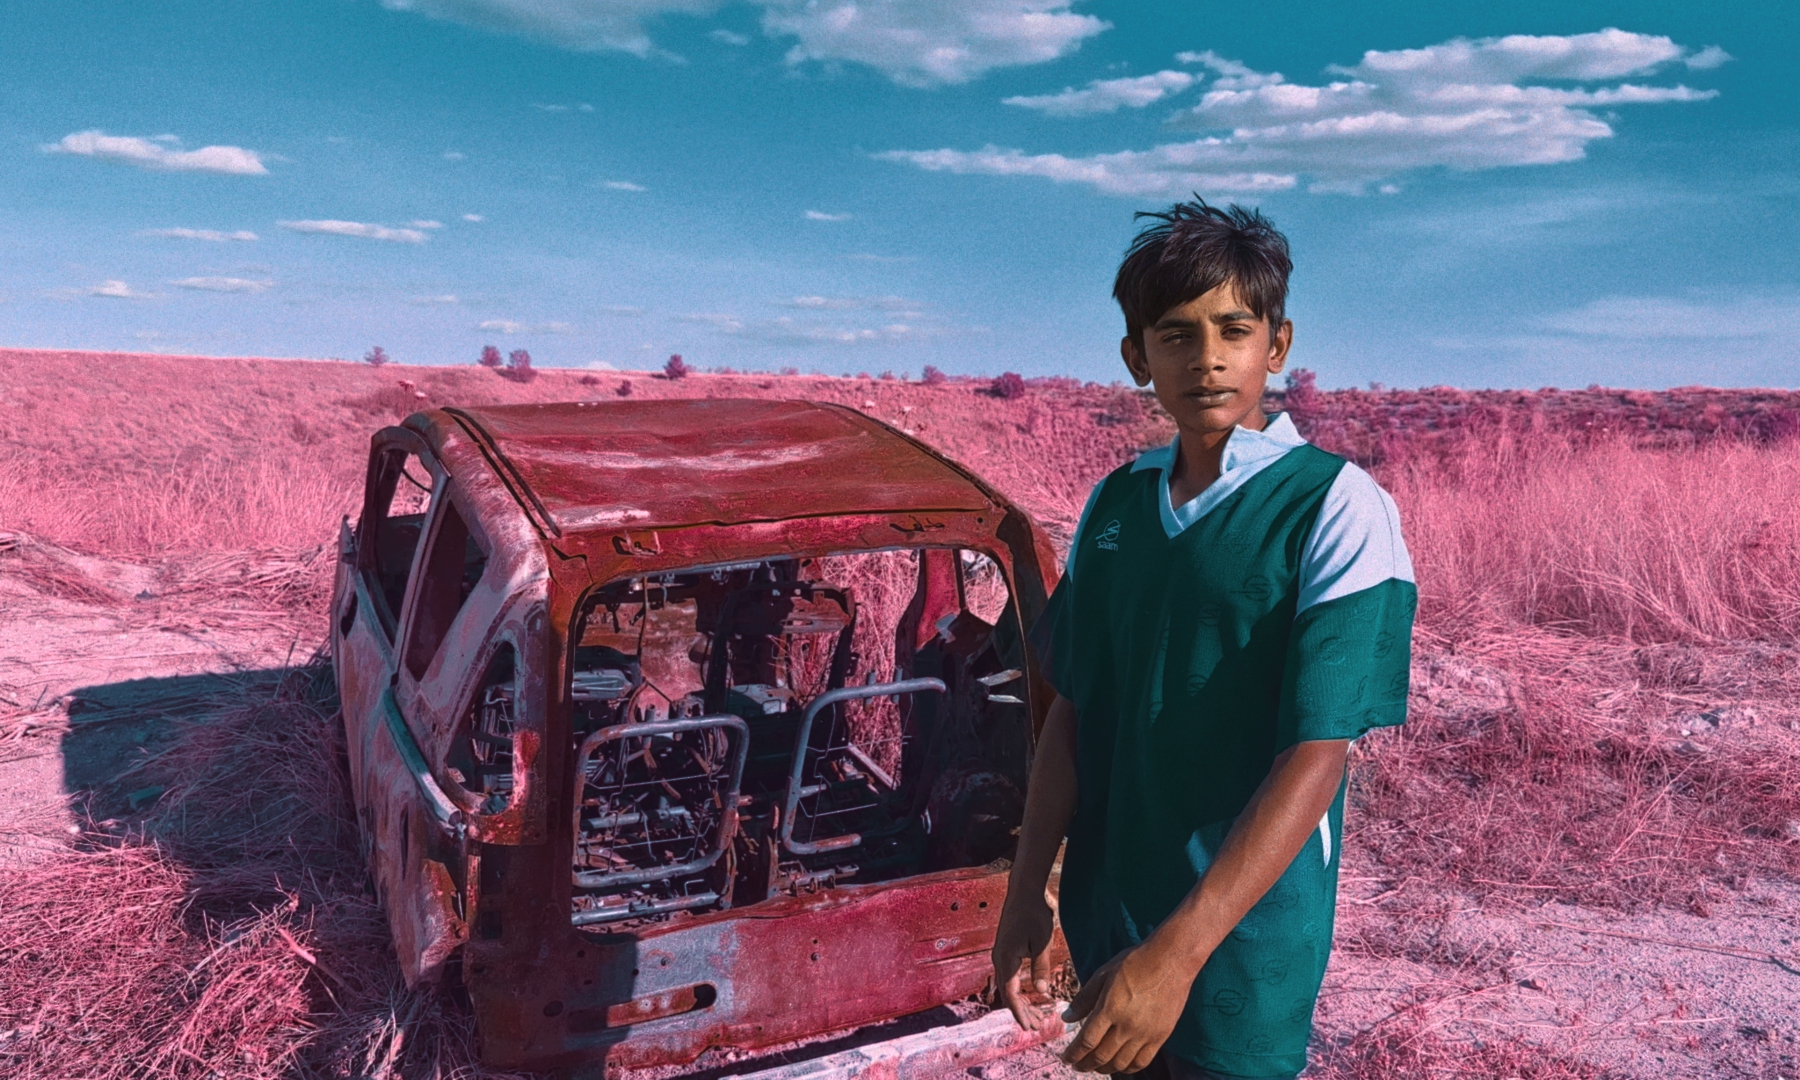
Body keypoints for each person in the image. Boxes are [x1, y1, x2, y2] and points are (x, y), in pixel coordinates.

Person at [992, 200, 1417, 1080]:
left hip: (1240, 938)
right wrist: (1028, 890)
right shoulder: (1116, 504)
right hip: (1115, 913)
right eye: (1177, 335)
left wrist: (1176, 958)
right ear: (1136, 357)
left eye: (1234, 329)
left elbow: (1318, 753)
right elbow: (1074, 709)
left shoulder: (1333, 505)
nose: (1208, 358)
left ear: (1278, 344)